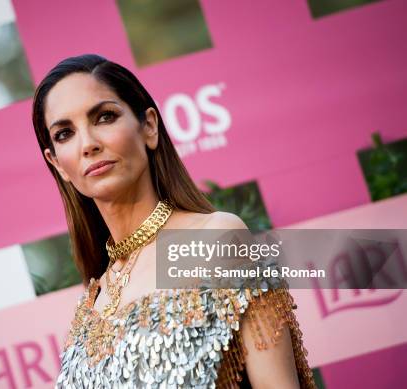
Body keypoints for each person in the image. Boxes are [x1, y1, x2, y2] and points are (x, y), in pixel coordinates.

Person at [31, 54, 316, 388]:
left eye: (105, 117)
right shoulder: (92, 303)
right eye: (65, 133)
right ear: (58, 164)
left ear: (149, 126)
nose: (89, 144)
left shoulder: (218, 238)